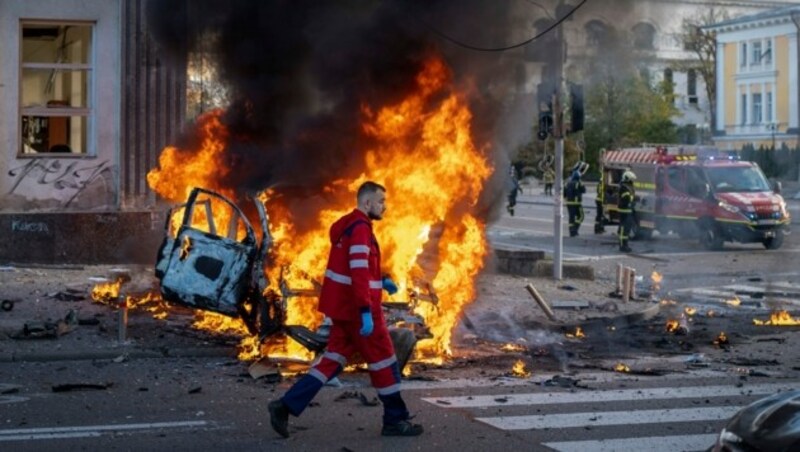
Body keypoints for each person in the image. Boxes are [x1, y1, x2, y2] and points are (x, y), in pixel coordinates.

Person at [268, 181, 423, 438]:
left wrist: (380, 280)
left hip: (343, 311)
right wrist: (365, 311)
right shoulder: (361, 229)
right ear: (367, 203)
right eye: (381, 201)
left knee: (332, 361)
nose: (385, 206)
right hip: (359, 313)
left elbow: (356, 269)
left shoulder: (348, 226)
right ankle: (395, 419)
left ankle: (285, 406)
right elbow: (359, 272)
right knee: (385, 362)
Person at [618, 170, 636, 253]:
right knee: (624, 228)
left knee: (627, 228)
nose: (632, 181)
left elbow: (630, 197)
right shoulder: (624, 187)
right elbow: (626, 198)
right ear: (627, 179)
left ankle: (625, 244)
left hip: (628, 210)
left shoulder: (627, 186)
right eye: (631, 179)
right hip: (624, 210)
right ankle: (623, 245)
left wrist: (636, 199)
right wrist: (634, 199)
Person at [564, 170, 585, 237]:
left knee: (571, 217)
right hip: (576, 203)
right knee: (581, 216)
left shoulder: (567, 183)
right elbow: (584, 190)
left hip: (569, 203)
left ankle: (571, 232)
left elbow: (564, 193)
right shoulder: (578, 183)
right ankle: (575, 229)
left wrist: (566, 199)